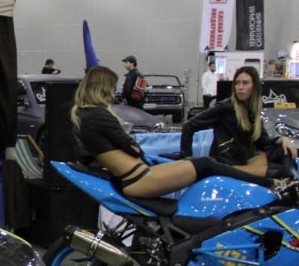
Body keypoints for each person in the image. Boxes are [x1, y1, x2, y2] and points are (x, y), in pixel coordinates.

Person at [72, 66, 274, 198]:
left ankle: (268, 182)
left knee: (199, 164)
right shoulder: (98, 115)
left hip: (136, 175)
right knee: (205, 164)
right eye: (111, 88)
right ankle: (269, 184)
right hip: (139, 177)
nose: (113, 93)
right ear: (102, 89)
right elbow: (133, 148)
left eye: (245, 83)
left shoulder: (84, 115)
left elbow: (88, 158)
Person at [180, 65, 296, 177]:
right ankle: (293, 180)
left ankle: (297, 178)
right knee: (281, 172)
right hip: (225, 166)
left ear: (254, 87)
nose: (240, 87)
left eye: (245, 83)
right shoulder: (226, 107)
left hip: (244, 162)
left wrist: (282, 139)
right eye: (237, 83)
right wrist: (187, 160)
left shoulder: (251, 110)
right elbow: (189, 125)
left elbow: (262, 141)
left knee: (285, 150)